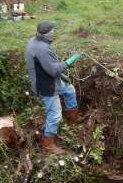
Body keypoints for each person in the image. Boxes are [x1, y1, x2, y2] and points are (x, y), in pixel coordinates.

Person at [25, 21, 83, 155]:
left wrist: (61, 76)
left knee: (69, 90)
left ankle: (72, 120)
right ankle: (49, 145)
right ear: (47, 33)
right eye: (53, 31)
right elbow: (53, 70)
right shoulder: (41, 48)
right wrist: (70, 61)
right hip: (46, 86)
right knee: (55, 115)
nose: (55, 32)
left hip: (51, 80)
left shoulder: (37, 41)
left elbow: (47, 66)